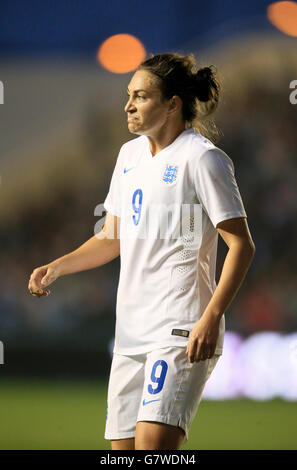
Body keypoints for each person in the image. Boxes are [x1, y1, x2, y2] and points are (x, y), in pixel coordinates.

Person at [28, 52, 255, 450]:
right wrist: (58, 266)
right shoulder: (128, 156)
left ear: (172, 104)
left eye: (141, 96)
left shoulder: (202, 159)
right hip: (130, 332)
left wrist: (211, 315)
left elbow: (241, 244)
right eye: (128, 95)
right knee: (122, 451)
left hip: (180, 327)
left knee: (152, 448)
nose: (129, 105)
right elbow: (111, 237)